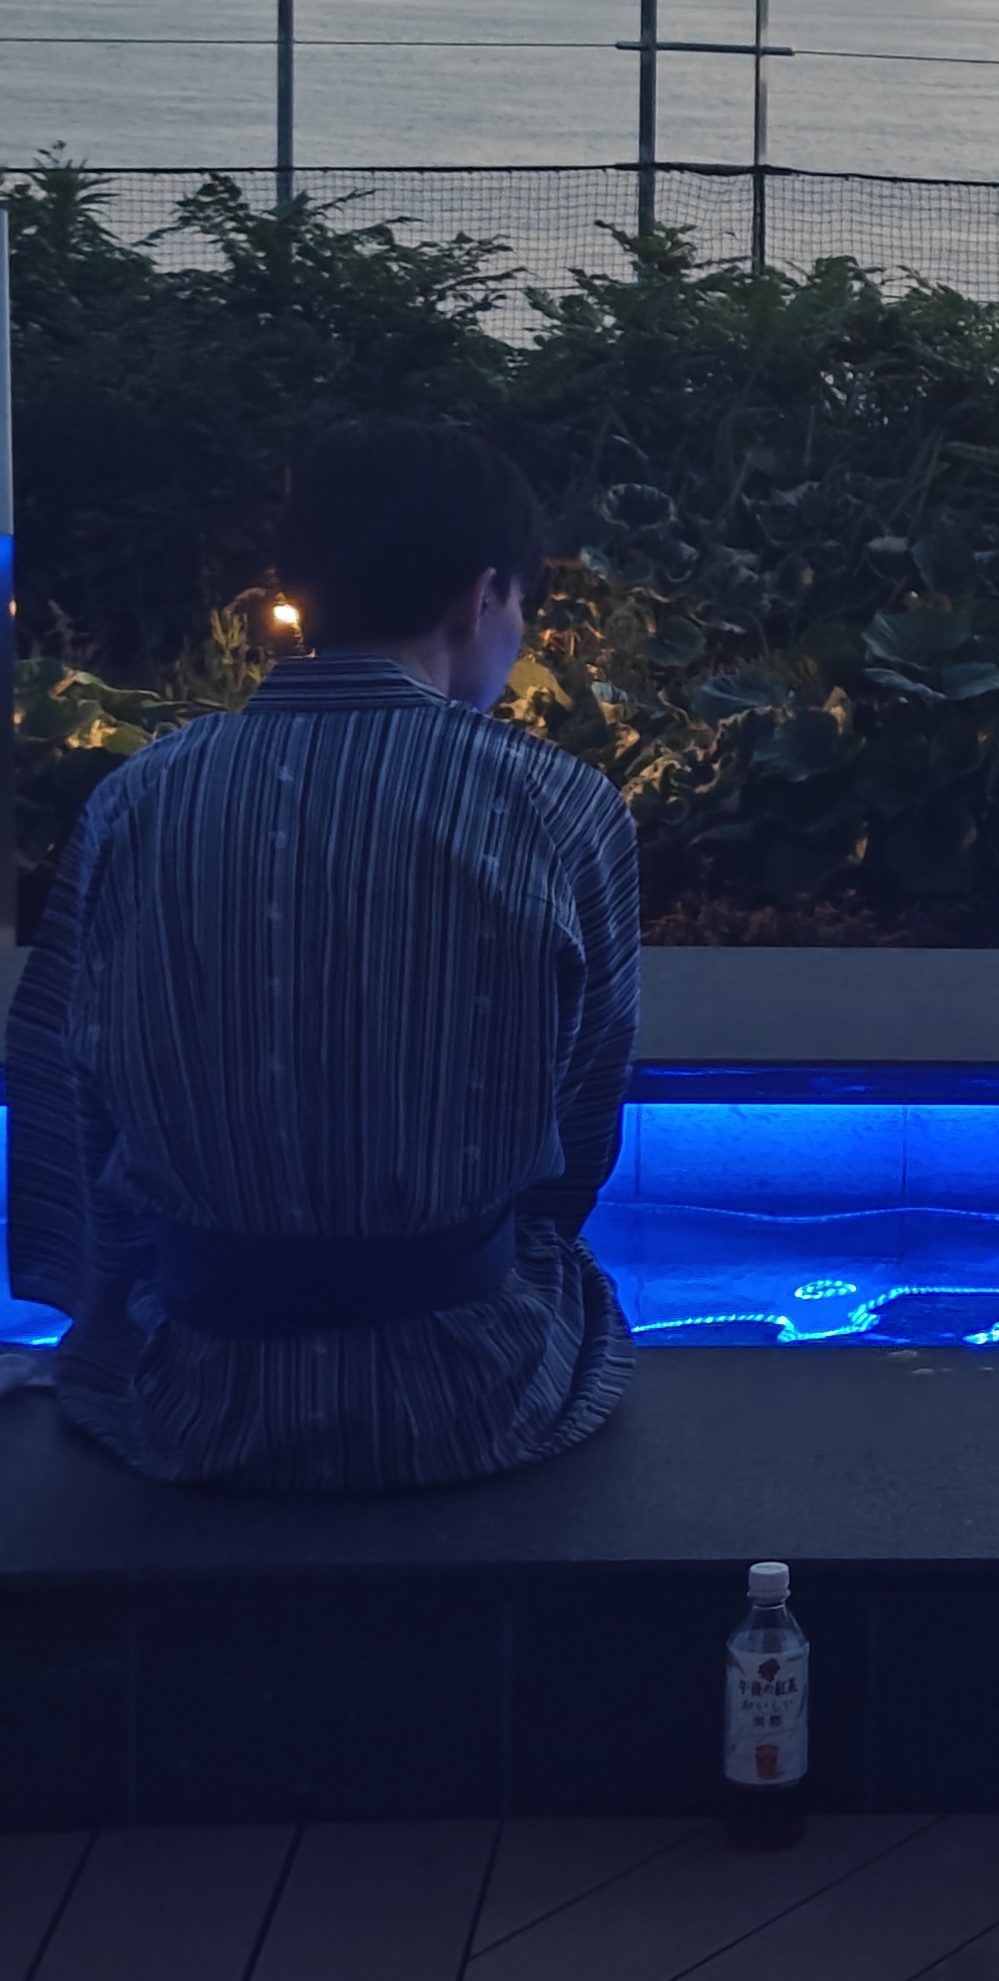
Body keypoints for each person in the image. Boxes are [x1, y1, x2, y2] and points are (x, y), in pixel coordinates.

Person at [4, 419, 639, 1492]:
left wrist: (122, 1303)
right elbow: (578, 1121)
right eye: (521, 608)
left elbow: (65, 1092)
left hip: (195, 1392)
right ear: (476, 597)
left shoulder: (140, 799)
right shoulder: (558, 806)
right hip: (475, 1392)